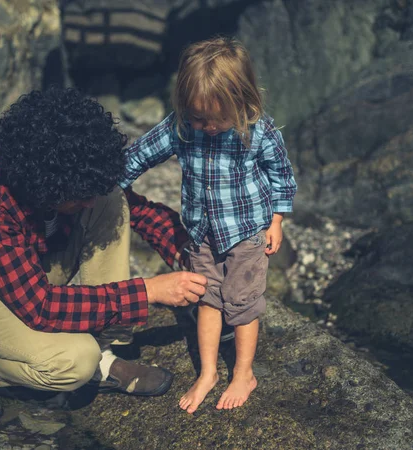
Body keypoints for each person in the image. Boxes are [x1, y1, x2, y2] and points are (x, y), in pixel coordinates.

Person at [0, 87, 208, 419]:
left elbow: (137, 211)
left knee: (111, 197)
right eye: (79, 197)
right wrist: (148, 291)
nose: (89, 204)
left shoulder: (68, 171)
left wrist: (189, 253)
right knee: (74, 362)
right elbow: (39, 307)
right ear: (46, 186)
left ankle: (105, 350)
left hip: (27, 271)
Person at [119, 36, 297, 413]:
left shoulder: (259, 131)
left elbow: (282, 176)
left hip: (247, 232)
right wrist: (107, 186)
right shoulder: (183, 127)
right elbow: (139, 154)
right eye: (198, 117)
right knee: (208, 301)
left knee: (242, 305)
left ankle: (243, 373)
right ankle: (208, 373)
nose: (208, 126)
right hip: (201, 234)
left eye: (217, 119)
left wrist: (277, 220)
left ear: (242, 101)